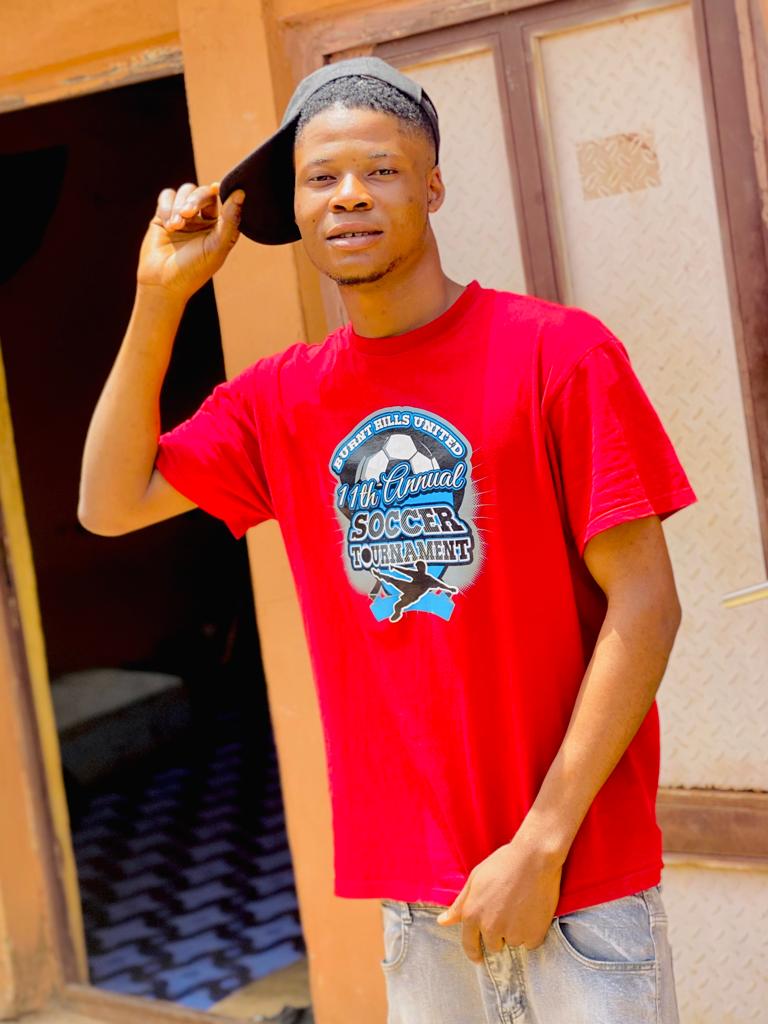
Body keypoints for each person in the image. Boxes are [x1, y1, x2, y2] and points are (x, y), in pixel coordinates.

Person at [79, 56, 697, 1024]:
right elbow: (110, 503)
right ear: (294, 207)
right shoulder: (281, 400)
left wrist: (541, 843)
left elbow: (647, 603)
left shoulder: (558, 354)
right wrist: (160, 296)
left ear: (433, 187)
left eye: (382, 170)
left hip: (575, 875)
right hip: (418, 895)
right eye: (320, 177)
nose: (349, 196)